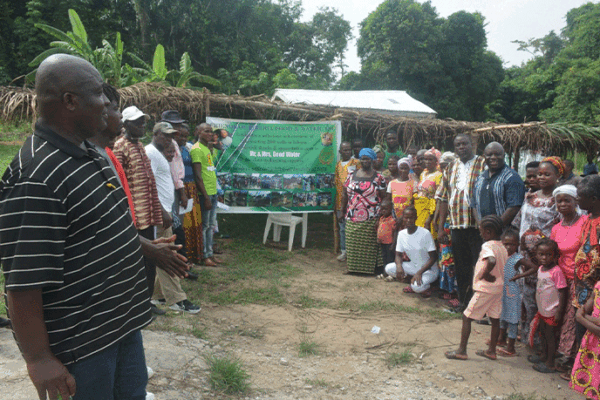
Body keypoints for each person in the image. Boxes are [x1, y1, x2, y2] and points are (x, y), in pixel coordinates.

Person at [0, 54, 151, 400]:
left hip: (120, 327)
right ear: (70, 101)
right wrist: (39, 359)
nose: (106, 102)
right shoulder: (37, 178)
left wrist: (149, 249)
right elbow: (23, 283)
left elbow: (106, 226)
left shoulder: (89, 152)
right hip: (84, 347)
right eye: (98, 93)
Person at [113, 105, 167, 315]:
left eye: (143, 122)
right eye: (137, 122)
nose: (142, 125)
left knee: (148, 261)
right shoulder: (121, 147)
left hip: (148, 215)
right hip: (133, 217)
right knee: (135, 262)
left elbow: (150, 182)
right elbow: (118, 183)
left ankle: (145, 303)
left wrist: (159, 210)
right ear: (126, 125)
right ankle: (133, 304)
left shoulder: (140, 147)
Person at [146, 122, 201, 314]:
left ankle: (158, 295)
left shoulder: (159, 154)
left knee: (163, 255)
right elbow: (149, 185)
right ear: (155, 134)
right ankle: (177, 299)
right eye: (166, 136)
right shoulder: (151, 153)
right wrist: (161, 210)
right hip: (159, 213)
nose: (170, 140)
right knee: (168, 256)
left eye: (171, 136)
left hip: (165, 210)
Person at [512, 156, 562, 342]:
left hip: (544, 258)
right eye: (539, 174)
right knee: (524, 295)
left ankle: (540, 340)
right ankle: (524, 334)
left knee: (543, 298)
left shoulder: (559, 200)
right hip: (524, 256)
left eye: (547, 174)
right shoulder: (529, 196)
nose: (541, 177)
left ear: (558, 175)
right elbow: (519, 223)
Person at [445, 215, 508, 361]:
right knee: (495, 319)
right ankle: (491, 350)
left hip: (485, 288)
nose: (480, 234)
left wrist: (485, 274)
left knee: (467, 317)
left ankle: (462, 350)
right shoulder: (503, 247)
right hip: (498, 288)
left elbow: (491, 260)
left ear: (488, 232)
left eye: (481, 231)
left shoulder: (488, 246)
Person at [437, 134, 486, 311]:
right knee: (462, 267)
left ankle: (481, 306)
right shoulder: (450, 167)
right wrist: (442, 227)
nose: (461, 147)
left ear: (472, 145)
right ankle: (465, 303)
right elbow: (443, 198)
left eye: (464, 144)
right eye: (458, 144)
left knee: (480, 267)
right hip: (457, 226)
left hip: (478, 227)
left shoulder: (483, 163)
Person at [549, 184, 586, 376]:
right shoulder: (556, 228)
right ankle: (556, 355)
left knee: (572, 321)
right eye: (559, 201)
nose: (562, 204)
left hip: (579, 280)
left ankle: (569, 361)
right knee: (558, 316)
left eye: (567, 200)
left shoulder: (585, 223)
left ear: (575, 202)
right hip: (559, 279)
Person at [341, 148, 387, 274]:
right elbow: (345, 194)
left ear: (372, 160)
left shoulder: (379, 178)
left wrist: (381, 216)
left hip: (371, 217)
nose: (364, 161)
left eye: (367, 158)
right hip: (352, 216)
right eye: (362, 158)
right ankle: (353, 269)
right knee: (352, 244)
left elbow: (384, 197)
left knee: (369, 246)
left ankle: (370, 270)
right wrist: (341, 210)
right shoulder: (351, 176)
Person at [497, 229, 537, 357]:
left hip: (512, 293)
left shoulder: (517, 258)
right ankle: (501, 339)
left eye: (512, 244)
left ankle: (511, 347)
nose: (508, 247)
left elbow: (534, 267)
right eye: (506, 244)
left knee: (513, 319)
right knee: (502, 315)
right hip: (502, 291)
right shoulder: (500, 255)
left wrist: (519, 275)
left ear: (517, 245)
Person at [530, 239, 567, 373]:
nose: (544, 258)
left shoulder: (556, 271)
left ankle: (550, 363)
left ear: (555, 256)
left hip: (552, 311)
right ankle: (544, 356)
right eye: (541, 254)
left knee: (551, 337)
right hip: (542, 310)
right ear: (537, 255)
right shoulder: (540, 269)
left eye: (548, 254)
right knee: (543, 334)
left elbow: (563, 292)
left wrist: (559, 312)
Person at [384, 207, 439, 296]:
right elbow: (398, 254)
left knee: (416, 287)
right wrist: (399, 266)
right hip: (414, 267)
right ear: (403, 218)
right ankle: (412, 281)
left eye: (411, 217)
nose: (409, 220)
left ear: (416, 218)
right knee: (389, 268)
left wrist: (419, 273)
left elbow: (433, 257)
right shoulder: (402, 234)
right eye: (406, 217)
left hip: (429, 270)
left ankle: (428, 286)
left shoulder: (425, 233)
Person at [573, 175, 600, 353]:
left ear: (593, 199)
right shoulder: (588, 218)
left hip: (594, 290)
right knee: (580, 324)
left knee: (588, 330)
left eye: (580, 196)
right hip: (582, 286)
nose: (577, 199)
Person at [471, 142, 525, 227]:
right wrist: (481, 227)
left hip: (505, 234)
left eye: (497, 154)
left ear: (503, 155)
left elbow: (514, 207)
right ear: (484, 156)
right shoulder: (479, 178)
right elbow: (474, 205)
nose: (493, 157)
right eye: (489, 155)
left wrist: (495, 229)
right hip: (484, 233)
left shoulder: (512, 177)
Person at [191, 123, 221, 267]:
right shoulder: (196, 149)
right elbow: (198, 176)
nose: (210, 134)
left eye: (211, 132)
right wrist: (206, 196)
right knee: (204, 226)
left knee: (210, 226)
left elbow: (209, 169)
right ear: (198, 132)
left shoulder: (206, 148)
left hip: (213, 192)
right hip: (205, 195)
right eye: (207, 131)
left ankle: (210, 253)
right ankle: (204, 255)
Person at [569, 279, 600, 399]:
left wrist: (584, 318)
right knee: (591, 383)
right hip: (592, 345)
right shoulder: (598, 286)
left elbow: (581, 315)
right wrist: (594, 320)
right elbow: (579, 314)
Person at [435, 152, 458, 305]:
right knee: (445, 258)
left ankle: (455, 291)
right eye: (442, 166)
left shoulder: (458, 178)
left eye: (446, 166)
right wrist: (438, 224)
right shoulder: (444, 179)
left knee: (454, 259)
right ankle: (447, 289)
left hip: (456, 223)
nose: (444, 169)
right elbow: (440, 202)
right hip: (446, 224)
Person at [179, 124, 204, 265]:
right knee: (185, 223)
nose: (183, 138)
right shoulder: (172, 149)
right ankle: (185, 257)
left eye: (185, 135)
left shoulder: (188, 148)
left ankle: (195, 255)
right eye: (181, 135)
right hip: (182, 189)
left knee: (195, 221)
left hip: (192, 187)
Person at [334, 141, 360, 262]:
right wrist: (337, 206)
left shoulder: (356, 163)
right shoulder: (338, 165)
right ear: (340, 152)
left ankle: (355, 252)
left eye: (349, 149)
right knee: (343, 228)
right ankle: (344, 251)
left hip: (354, 202)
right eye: (344, 150)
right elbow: (337, 185)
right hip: (341, 202)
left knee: (354, 228)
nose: (347, 152)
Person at [414, 147, 442, 236]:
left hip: (429, 210)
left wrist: (430, 217)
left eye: (430, 159)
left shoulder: (439, 175)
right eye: (426, 159)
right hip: (419, 209)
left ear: (437, 161)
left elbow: (436, 198)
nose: (427, 162)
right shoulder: (423, 174)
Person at [387, 157, 414, 222]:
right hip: (394, 217)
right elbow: (389, 201)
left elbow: (413, 203)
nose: (403, 170)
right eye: (401, 168)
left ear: (409, 169)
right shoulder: (391, 183)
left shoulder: (414, 184)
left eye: (406, 168)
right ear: (398, 169)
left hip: (408, 218)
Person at [376, 198, 397, 274]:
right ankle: (385, 272)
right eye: (382, 209)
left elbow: (395, 232)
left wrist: (394, 243)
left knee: (390, 259)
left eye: (386, 209)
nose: (383, 211)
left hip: (389, 243)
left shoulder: (392, 220)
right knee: (384, 258)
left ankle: (391, 274)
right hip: (382, 243)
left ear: (391, 209)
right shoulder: (381, 219)